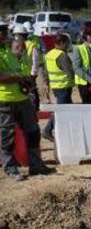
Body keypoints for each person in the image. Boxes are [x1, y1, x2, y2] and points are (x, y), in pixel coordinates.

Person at [0, 22, 55, 180]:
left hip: (22, 98)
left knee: (33, 131)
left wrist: (27, 80)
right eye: (1, 31)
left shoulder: (11, 50)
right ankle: (11, 168)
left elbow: (22, 69)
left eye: (5, 30)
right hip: (4, 99)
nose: (4, 34)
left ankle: (35, 164)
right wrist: (20, 78)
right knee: (7, 135)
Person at [42, 33, 75, 140]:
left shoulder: (49, 54)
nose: (67, 46)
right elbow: (70, 71)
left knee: (69, 110)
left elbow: (46, 72)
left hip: (55, 86)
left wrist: (46, 83)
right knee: (60, 111)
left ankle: (67, 132)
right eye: (66, 44)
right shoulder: (62, 55)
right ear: (61, 43)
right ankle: (47, 130)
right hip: (64, 86)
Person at [11, 24, 39, 110]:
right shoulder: (12, 45)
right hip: (21, 76)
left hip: (26, 76)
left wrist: (33, 75)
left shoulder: (31, 45)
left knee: (30, 96)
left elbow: (35, 62)